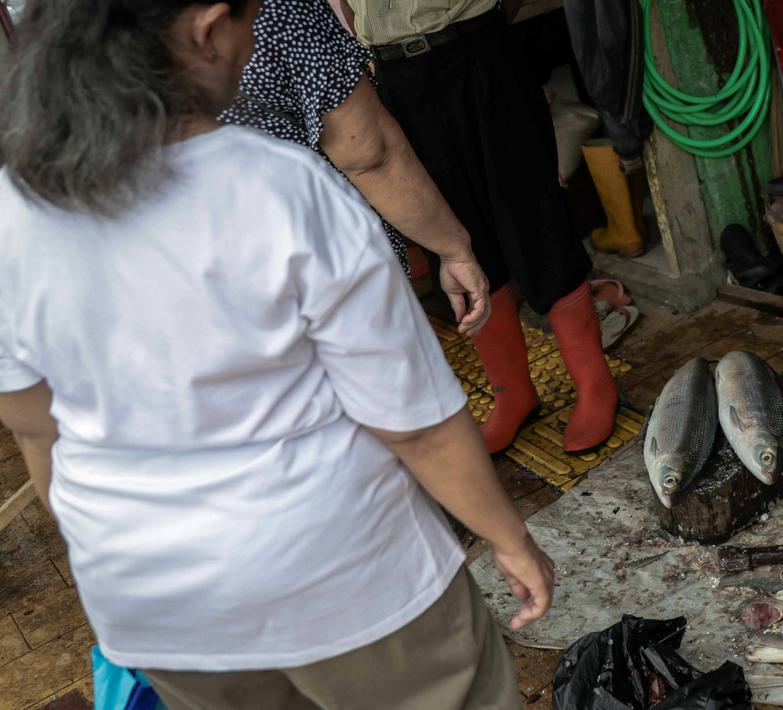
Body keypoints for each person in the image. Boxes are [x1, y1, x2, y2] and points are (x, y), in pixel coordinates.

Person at [0, 2, 552, 708]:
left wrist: (113, 548)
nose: (255, 38)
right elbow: (410, 419)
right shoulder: (278, 185)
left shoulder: (13, 211)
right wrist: (508, 538)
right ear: (205, 31)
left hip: (154, 607)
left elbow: (36, 429)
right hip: (340, 582)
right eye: (247, 22)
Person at [339, 0, 619, 455]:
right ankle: (513, 394)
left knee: (535, 216)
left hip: (480, 50)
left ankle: (594, 384)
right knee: (448, 232)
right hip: (398, 76)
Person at [222, 0, 490, 337]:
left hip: (204, 297)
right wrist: (454, 250)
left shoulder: (138, 29)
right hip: (326, 273)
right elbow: (369, 155)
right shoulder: (276, 9)